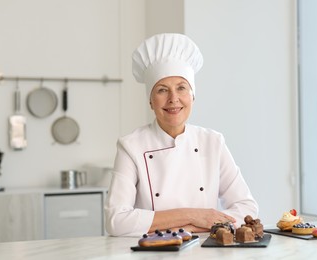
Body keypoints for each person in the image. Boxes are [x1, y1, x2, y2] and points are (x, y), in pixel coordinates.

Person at [104, 33, 258, 237]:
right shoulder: (131, 146)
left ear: (193, 95)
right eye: (162, 90)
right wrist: (193, 216)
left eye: (181, 88)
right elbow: (116, 221)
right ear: (150, 101)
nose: (173, 99)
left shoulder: (213, 142)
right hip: (156, 252)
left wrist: (186, 227)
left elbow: (247, 208)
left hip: (207, 252)